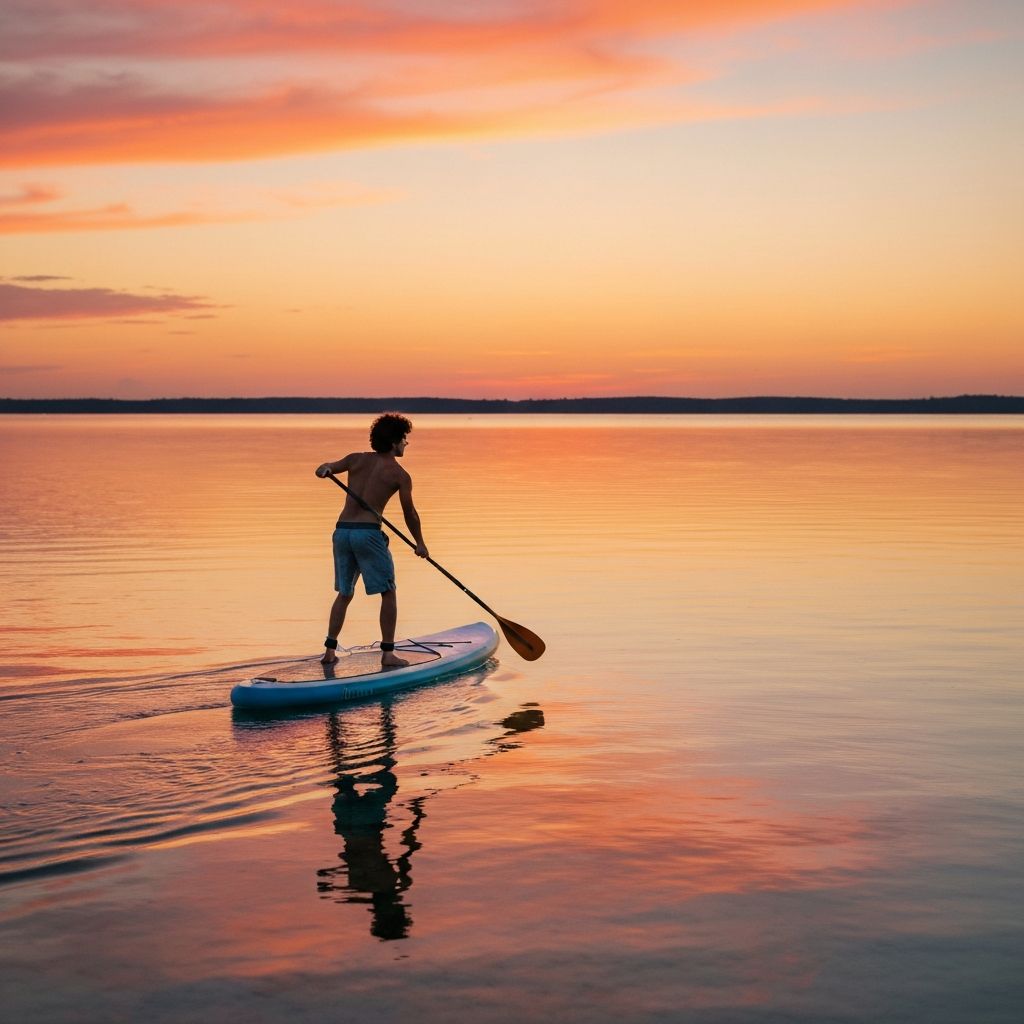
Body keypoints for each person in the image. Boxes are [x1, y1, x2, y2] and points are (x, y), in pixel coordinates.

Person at [315, 413, 429, 668]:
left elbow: (325, 467)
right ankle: (388, 654)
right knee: (388, 591)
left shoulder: (355, 460)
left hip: (342, 532)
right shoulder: (400, 475)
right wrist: (420, 543)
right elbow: (409, 512)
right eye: (404, 439)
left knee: (345, 593)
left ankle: (329, 651)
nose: (406, 444)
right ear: (394, 442)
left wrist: (324, 469)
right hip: (367, 534)